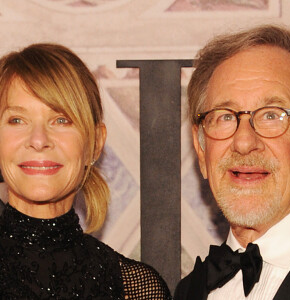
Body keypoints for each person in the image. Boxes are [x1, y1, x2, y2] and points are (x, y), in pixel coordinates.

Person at [0, 43, 172, 299]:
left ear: (95, 144)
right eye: (17, 120)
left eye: (61, 120)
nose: (38, 140)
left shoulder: (136, 289)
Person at [175, 24, 290, 300]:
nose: (244, 143)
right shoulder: (189, 291)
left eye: (272, 115)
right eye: (225, 116)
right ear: (201, 151)